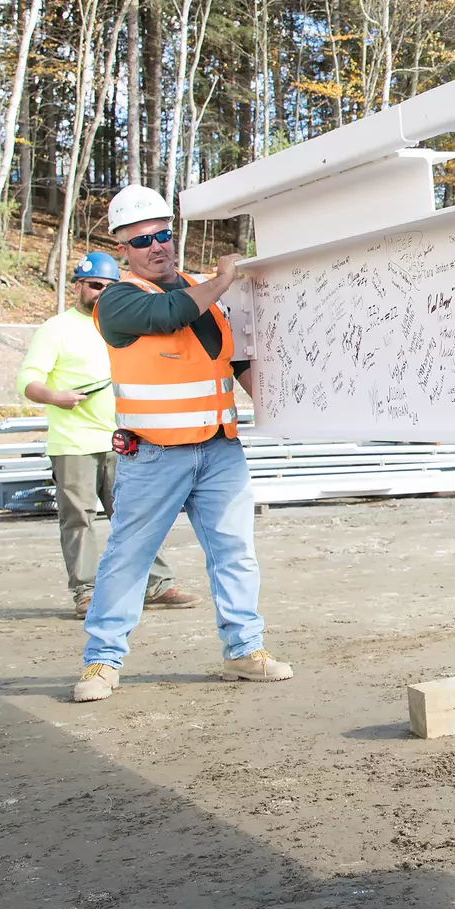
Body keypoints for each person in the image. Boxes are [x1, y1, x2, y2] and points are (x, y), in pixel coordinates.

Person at [71, 185, 290, 704]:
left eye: (163, 234)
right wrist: (222, 279)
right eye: (142, 239)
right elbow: (169, 314)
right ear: (123, 248)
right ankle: (101, 661)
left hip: (218, 450)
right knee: (128, 557)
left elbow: (236, 362)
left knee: (235, 552)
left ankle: (245, 649)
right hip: (153, 455)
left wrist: (288, 414)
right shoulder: (119, 300)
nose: (157, 246)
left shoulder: (203, 292)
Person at [17, 252, 199, 619]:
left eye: (109, 286)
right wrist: (55, 397)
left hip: (125, 441)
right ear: (79, 286)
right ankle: (86, 592)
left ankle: (156, 585)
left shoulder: (122, 325)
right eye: (95, 285)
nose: (101, 292)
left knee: (137, 515)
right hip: (74, 445)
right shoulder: (56, 329)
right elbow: (28, 381)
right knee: (78, 519)